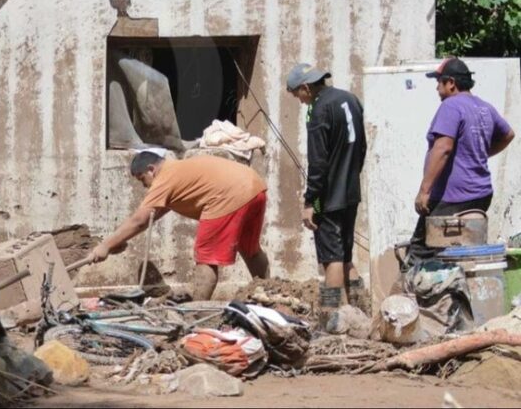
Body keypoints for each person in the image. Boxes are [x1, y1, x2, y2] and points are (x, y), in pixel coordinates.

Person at [87, 152, 270, 300]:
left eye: (143, 179)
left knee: (206, 255)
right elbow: (152, 216)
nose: (145, 186)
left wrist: (104, 246)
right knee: (250, 250)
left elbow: (139, 220)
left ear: (151, 170)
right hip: (255, 186)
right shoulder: (179, 171)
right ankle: (269, 295)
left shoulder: (165, 177)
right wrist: (116, 242)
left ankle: (197, 309)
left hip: (228, 194)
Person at [286, 63, 368, 317]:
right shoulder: (350, 99)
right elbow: (362, 147)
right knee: (345, 255)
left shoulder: (317, 109)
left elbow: (318, 161)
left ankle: (331, 318)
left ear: (305, 88)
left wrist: (311, 201)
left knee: (331, 256)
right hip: (351, 191)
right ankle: (360, 311)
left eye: (296, 95)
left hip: (327, 198)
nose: (299, 101)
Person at [412, 58, 515, 251]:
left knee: (422, 252)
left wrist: (424, 191)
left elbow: (443, 148)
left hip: (452, 197)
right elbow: (508, 134)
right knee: (460, 252)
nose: (436, 88)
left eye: (439, 82)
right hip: (481, 195)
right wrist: (479, 153)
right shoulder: (484, 107)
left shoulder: (451, 106)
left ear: (451, 83)